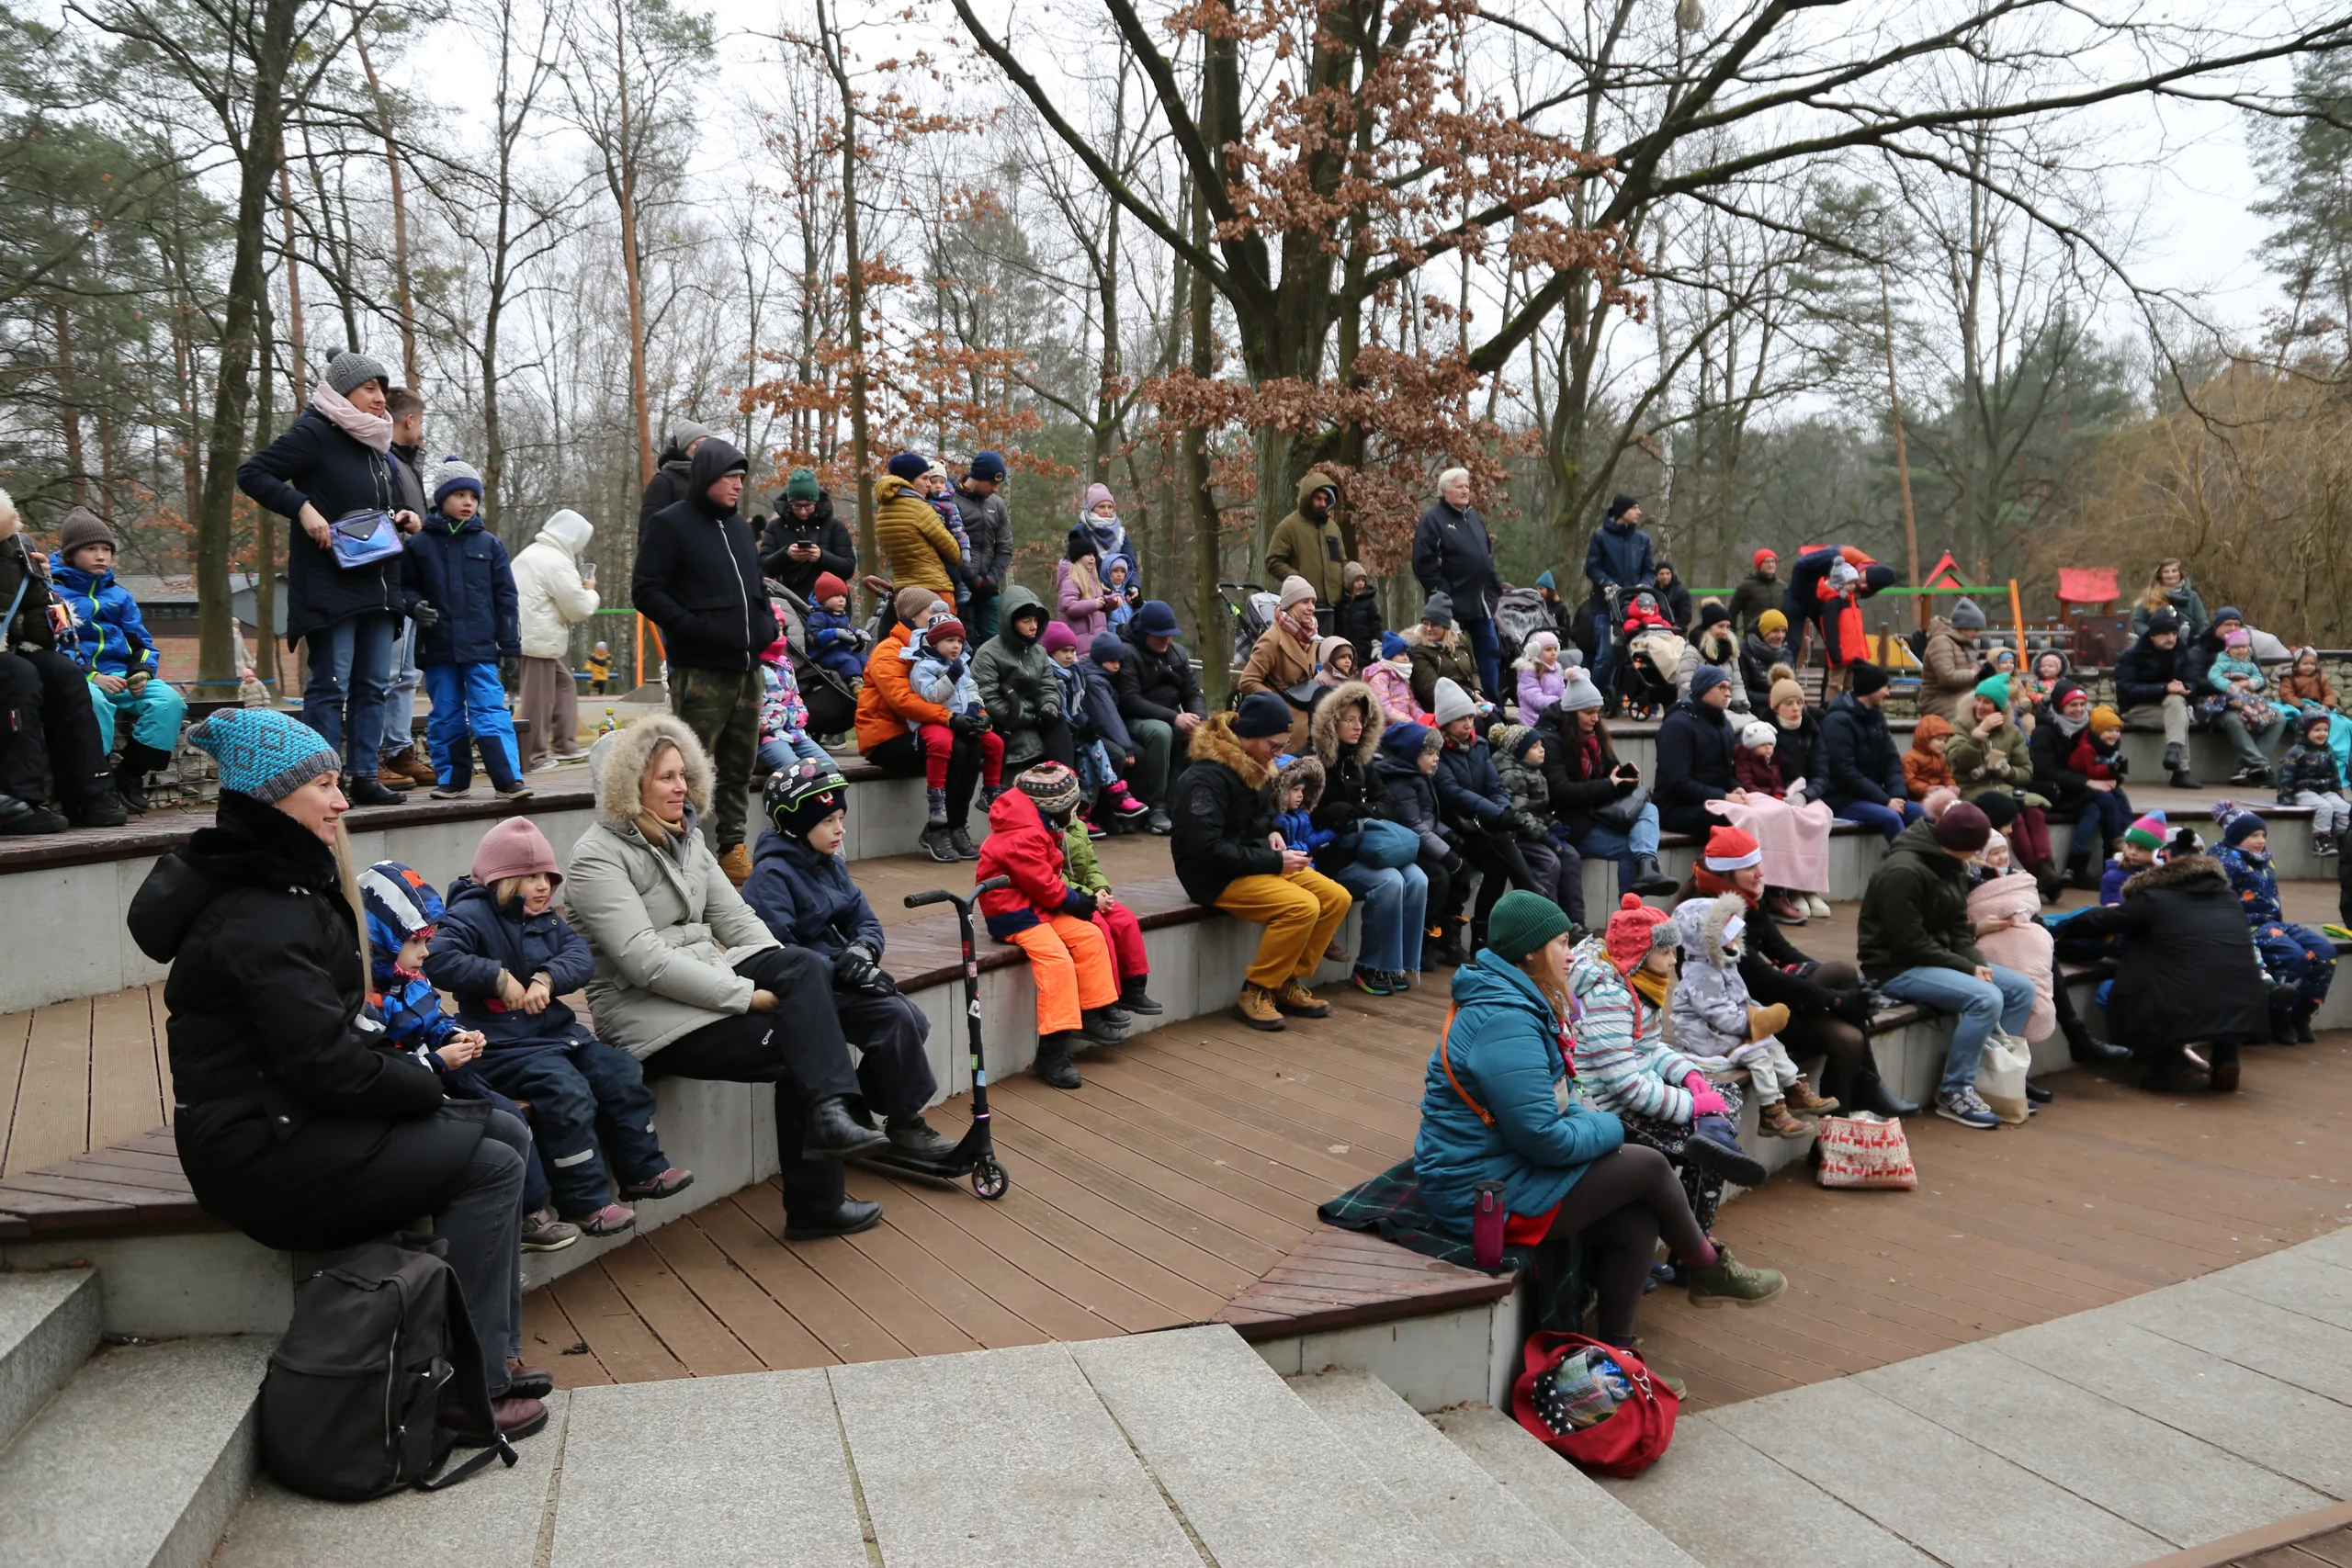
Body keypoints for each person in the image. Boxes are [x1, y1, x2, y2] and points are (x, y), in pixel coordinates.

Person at [125, 709, 548, 1440]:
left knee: (505, 1128)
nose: (342, 800)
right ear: (272, 796)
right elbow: (323, 1062)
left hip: (293, 1118)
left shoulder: (281, 885)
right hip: (261, 1152)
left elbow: (332, 1046)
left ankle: (493, 1357)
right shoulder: (259, 913)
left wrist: (414, 1075)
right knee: (492, 1162)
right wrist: (425, 1081)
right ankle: (463, 1389)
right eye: (323, 785)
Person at [563, 714, 893, 1240]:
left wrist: (780, 974)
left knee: (804, 965)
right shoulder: (594, 859)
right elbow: (645, 961)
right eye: (667, 777)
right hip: (646, 1016)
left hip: (705, 984)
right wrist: (745, 996)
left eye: (684, 774)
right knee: (801, 1048)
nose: (682, 786)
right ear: (627, 787)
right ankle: (819, 1194)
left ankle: (833, 1115)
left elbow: (739, 921)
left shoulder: (687, 837)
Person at [1412, 890, 1785, 1344]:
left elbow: (1559, 1101)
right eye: (1561, 944)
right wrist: (1610, 1127)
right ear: (1530, 953)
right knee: (1648, 1164)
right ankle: (1706, 1265)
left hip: (1503, 1161)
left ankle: (1617, 1354)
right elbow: (1545, 1138)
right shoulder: (1506, 1021)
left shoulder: (1521, 998)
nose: (1571, 955)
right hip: (1479, 1191)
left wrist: (1607, 1117)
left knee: (1638, 1218)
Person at [426, 818, 686, 1238]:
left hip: (558, 1035)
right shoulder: (469, 915)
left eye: (548, 876)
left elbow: (578, 957)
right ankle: (585, 1202)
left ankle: (642, 1169)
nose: (544, 886)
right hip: (505, 1046)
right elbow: (438, 958)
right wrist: (497, 978)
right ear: (502, 879)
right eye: (531, 877)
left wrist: (547, 978)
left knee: (620, 1071)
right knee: (566, 1091)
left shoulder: (545, 918)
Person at [356, 858, 579, 1254]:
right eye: (415, 942)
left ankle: (527, 1215)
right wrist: (438, 1061)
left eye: (428, 940)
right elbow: (378, 1064)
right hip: (409, 1088)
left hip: (443, 1076)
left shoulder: (411, 977)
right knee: (484, 1141)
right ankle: (489, 1243)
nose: (426, 952)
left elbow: (434, 1018)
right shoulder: (366, 997)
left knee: (510, 1118)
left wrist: (456, 1034)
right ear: (383, 938)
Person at [740, 761, 958, 1162]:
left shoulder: (832, 865)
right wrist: (839, 968)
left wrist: (862, 953)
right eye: (828, 821)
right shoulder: (769, 877)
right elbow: (778, 951)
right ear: (796, 824)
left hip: (841, 974)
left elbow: (866, 922)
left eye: (841, 818)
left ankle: (859, 1111)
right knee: (896, 1019)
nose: (840, 829)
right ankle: (905, 1123)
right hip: (809, 992)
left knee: (915, 1020)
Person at [236, 349, 421, 807]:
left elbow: (370, 506)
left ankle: (363, 776)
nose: (380, 398)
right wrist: (302, 508)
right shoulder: (316, 432)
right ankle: (320, 782)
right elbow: (252, 473)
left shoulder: (376, 444)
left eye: (382, 389)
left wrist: (403, 515)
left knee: (372, 686)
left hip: (379, 583)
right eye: (370, 388)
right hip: (329, 583)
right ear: (343, 392)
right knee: (330, 685)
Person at [1678, 824, 1920, 1117]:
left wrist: (1841, 991)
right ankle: (1855, 1102)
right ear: (1726, 874)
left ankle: (1855, 1102)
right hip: (1735, 1022)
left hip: (1761, 1004)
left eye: (1758, 863)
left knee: (1844, 989)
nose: (1761, 873)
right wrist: (1837, 999)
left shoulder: (1745, 899)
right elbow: (1761, 980)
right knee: (1847, 1034)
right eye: (1750, 867)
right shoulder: (1709, 916)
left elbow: (1784, 953)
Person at [1568, 896, 1767, 1230]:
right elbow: (1626, 1087)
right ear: (1639, 953)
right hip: (1611, 1112)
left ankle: (1714, 1133)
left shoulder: (1639, 984)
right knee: (1705, 1154)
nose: (1674, 959)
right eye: (1665, 952)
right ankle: (1694, 1240)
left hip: (1635, 1094)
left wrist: (1690, 1076)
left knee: (1726, 1093)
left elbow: (1649, 1047)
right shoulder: (1610, 998)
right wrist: (1691, 1106)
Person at [632, 435, 776, 883]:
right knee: (687, 768)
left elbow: (756, 588)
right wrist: (692, 627)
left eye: (741, 478)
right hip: (700, 669)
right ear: (707, 476)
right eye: (730, 477)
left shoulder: (740, 528)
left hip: (748, 669)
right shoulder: (669, 524)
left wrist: (767, 628)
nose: (738, 485)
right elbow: (646, 591)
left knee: (739, 766)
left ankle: (732, 849)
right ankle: (679, 848)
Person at [1170, 693, 1351, 1030]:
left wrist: (1273, 831)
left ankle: (1286, 981)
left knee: (1336, 897)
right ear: (1249, 735)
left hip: (1256, 860)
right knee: (1302, 907)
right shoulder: (1204, 779)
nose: (1279, 754)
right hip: (1215, 875)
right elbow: (1206, 849)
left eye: (1284, 746)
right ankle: (1256, 990)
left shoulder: (1257, 762)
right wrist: (1274, 862)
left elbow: (1265, 813)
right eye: (1274, 745)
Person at [1855, 801, 2036, 1129]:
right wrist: (1966, 968)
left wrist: (1976, 963)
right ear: (1961, 844)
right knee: (1987, 998)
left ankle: (1991, 1079)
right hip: (1894, 967)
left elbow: (1957, 929)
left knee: (2021, 989)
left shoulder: (1952, 863)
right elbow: (1907, 943)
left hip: (1934, 957)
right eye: (1977, 848)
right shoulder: (1903, 872)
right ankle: (1955, 1091)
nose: (1980, 855)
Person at [974, 762, 1133, 1088]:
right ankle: (1051, 1051)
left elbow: (1046, 885)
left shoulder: (1038, 821)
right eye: (1072, 807)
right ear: (1055, 808)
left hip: (1037, 904)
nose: (1076, 813)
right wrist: (1080, 902)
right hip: (1014, 912)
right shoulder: (1023, 834)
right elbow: (1044, 886)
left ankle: (1090, 1012)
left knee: (1088, 935)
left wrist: (1079, 904)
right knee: (1057, 960)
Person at [2064, 848, 2267, 1091]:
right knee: (2221, 986)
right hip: (2246, 1000)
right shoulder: (2228, 897)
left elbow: (2101, 922)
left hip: (2184, 1001)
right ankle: (2227, 1057)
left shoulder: (2153, 898)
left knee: (2110, 992)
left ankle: (2171, 1060)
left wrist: (2065, 926)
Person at [402, 457, 529, 801]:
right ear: (441, 498)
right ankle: (453, 779)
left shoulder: (490, 545)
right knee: (445, 713)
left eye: (473, 496)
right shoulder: (419, 545)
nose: (467, 502)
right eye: (459, 495)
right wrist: (414, 606)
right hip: (438, 647)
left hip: (481, 647)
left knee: (490, 710)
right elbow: (404, 587)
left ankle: (508, 779)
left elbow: (507, 599)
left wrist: (510, 646)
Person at [47, 509, 185, 813]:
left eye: (107, 549)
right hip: (79, 677)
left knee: (169, 702)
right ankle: (97, 778)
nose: (101, 556)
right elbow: (55, 644)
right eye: (90, 548)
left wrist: (142, 672)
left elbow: (142, 643)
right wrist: (91, 675)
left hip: (120, 674)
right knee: (94, 703)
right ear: (70, 554)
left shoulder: (120, 596)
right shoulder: (53, 594)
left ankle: (130, 774)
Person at [0, 494, 121, 833]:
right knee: (18, 675)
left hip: (15, 644)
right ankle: (19, 797)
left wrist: (42, 586)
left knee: (64, 672)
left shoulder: (18, 547)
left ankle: (89, 791)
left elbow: (42, 615)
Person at [1671, 893, 1835, 1139]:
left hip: (1727, 1028)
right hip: (1705, 1035)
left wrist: (1759, 1014)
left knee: (1773, 1044)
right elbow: (1719, 1014)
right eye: (1725, 934)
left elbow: (1741, 1000)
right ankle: (1771, 1110)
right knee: (1758, 1055)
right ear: (1705, 940)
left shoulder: (1723, 964)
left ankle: (1793, 1088)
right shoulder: (1700, 975)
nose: (1732, 939)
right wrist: (1755, 1022)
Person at [1306, 682, 1429, 994]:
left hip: (1369, 848)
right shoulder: (1314, 763)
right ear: (1331, 722)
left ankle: (1396, 963)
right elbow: (1312, 815)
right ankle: (1370, 965)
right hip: (1333, 856)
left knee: (1418, 878)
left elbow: (1388, 805)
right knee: (1390, 881)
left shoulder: (1363, 763)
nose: (1358, 726)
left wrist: (1355, 812)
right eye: (1350, 719)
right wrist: (1356, 812)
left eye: (1361, 720)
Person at [858, 585, 988, 861]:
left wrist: (976, 714)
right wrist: (949, 718)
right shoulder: (890, 650)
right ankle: (937, 828)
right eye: (932, 611)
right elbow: (902, 700)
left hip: (925, 728)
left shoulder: (937, 647)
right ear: (912, 615)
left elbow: (963, 688)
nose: (939, 616)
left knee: (973, 745)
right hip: (887, 737)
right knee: (957, 749)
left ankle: (956, 825)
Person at [1533, 665, 1674, 897]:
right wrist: (1610, 785)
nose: (1595, 718)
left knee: (1649, 809)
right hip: (1572, 822)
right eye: (1588, 712)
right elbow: (1561, 793)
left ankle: (1648, 866)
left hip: (1599, 811)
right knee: (1631, 849)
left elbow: (1612, 770)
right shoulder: (1551, 740)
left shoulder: (1594, 734)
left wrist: (1626, 780)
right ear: (1572, 713)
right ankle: (1630, 910)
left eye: (1597, 711)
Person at [1433, 679, 1543, 949]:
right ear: (1446, 723)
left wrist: (1504, 811)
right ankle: (1537, 901)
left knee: (1499, 863)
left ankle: (1482, 933)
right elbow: (1454, 794)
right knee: (1502, 844)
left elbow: (1495, 786)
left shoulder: (1479, 745)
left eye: (1470, 717)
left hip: (1480, 825)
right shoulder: (1437, 752)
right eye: (1461, 719)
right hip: (1453, 829)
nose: (1468, 724)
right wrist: (1498, 814)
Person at [2213, 809, 2337, 1043]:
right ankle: (2281, 1015)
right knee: (2294, 956)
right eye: (2253, 835)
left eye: (2263, 835)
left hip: (2272, 922)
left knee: (2325, 951)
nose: (2260, 840)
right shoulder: (2225, 862)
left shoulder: (2265, 859)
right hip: (2247, 925)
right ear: (2237, 837)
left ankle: (2303, 1013)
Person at [1948, 676, 2062, 898]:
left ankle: (2047, 868)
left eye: (1987, 702)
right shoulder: (1960, 726)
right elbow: (1958, 763)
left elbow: (2026, 772)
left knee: (2034, 812)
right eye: (1978, 700)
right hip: (1973, 790)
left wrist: (2007, 771)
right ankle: (2039, 876)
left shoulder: (2012, 732)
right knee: (2012, 815)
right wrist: (1978, 736)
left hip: (2004, 788)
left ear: (1999, 708)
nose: (1980, 706)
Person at [1055, 787, 1163, 1017]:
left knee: (1125, 919)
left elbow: (1091, 866)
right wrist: (1091, 897)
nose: (1076, 811)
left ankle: (1134, 988)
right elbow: (1054, 876)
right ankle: (1108, 996)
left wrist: (1101, 889)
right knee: (1100, 927)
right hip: (1067, 898)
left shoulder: (1078, 827)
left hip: (1089, 894)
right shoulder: (1049, 832)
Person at [508, 508, 597, 771]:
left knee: (563, 684)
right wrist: (590, 591)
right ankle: (532, 757)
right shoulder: (556, 562)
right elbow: (579, 608)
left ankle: (564, 743)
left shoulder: (532, 553)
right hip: (538, 639)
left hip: (526, 634)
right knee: (538, 700)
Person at [903, 609, 1006, 835]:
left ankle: (990, 791)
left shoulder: (960, 663)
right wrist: (951, 677)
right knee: (941, 744)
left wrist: (977, 709)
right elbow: (931, 696)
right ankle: (936, 798)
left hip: (963, 718)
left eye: (959, 641)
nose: (956, 646)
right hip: (935, 720)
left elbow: (971, 689)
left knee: (995, 743)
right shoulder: (923, 666)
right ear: (935, 642)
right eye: (950, 640)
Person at [1374, 720, 1466, 964]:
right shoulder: (1400, 782)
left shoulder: (1419, 775)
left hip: (1421, 843)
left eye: (1437, 753)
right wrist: (1446, 855)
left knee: (1461, 872)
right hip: (1405, 846)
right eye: (1430, 753)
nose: (1436, 759)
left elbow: (1428, 818)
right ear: (1411, 755)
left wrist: (1448, 834)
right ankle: (1422, 942)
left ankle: (1447, 935)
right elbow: (1414, 826)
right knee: (1439, 877)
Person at [1043, 621, 1148, 827]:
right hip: (1059, 729)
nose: (1069, 656)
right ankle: (1114, 792)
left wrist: (1084, 723)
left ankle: (1086, 810)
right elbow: (1061, 709)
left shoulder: (1075, 673)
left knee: (1091, 749)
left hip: (1074, 727)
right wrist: (1081, 726)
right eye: (1064, 651)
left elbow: (1077, 708)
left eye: (1072, 651)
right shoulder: (1055, 675)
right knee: (1096, 748)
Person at [1111, 599, 1202, 833]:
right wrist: (1174, 717)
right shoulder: (1128, 653)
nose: (1167, 640)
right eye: (1160, 636)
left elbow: (1192, 692)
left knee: (1202, 734)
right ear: (1145, 633)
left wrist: (1199, 718)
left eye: (1170, 635)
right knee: (1161, 733)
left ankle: (1188, 802)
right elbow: (1130, 700)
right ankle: (1156, 806)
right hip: (1135, 719)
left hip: (1170, 717)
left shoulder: (1178, 653)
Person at [1412, 468, 1502, 694]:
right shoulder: (1432, 520)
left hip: (1480, 602)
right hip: (1450, 606)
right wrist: (1442, 593)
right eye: (1460, 486)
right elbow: (1423, 562)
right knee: (1451, 657)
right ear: (1445, 491)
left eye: (1467, 486)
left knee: (1490, 652)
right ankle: (1459, 705)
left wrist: (1494, 588)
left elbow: (1486, 557)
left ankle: (1492, 706)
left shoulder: (1473, 517)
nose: (1465, 491)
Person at [1488, 721, 1584, 927]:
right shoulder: (1511, 775)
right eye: (1534, 747)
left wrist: (1554, 824)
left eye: (1541, 745)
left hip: (1534, 831)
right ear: (1519, 751)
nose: (1542, 750)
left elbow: (1537, 810)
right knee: (1550, 863)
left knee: (1571, 856)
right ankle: (1543, 920)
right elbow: (1520, 814)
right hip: (1518, 837)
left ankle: (1574, 921)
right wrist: (1547, 837)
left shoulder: (1531, 769)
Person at [973, 585, 1076, 777]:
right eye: (1026, 621)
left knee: (1060, 727)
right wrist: (1028, 718)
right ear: (1010, 622)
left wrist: (1049, 706)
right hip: (1007, 722)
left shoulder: (1040, 652)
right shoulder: (987, 654)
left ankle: (1067, 782)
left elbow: (1048, 687)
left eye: (1036, 620)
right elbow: (988, 699)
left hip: (1039, 718)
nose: (1033, 626)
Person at [1818, 661, 1920, 840]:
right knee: (1890, 818)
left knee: (1922, 814)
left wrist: (1897, 795)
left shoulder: (1876, 717)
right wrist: (1884, 800)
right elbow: (1844, 771)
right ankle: (1903, 857)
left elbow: (1892, 760)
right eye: (1884, 687)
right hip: (1843, 799)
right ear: (1871, 689)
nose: (1888, 693)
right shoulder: (1837, 722)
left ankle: (1927, 856)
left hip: (1875, 796)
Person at [1652, 665, 1747, 837]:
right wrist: (1723, 796)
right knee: (1739, 819)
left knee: (1765, 810)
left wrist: (1735, 787)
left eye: (1729, 688)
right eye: (1722, 687)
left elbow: (1724, 771)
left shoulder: (1722, 723)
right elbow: (1677, 782)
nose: (1728, 694)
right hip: (1676, 808)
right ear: (1704, 688)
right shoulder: (1678, 725)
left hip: (1713, 800)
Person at [2113, 610, 2202, 788]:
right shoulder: (2133, 655)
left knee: (2176, 703)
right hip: (2137, 709)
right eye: (2166, 634)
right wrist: (2164, 688)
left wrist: (2185, 687)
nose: (2171, 638)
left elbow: (2194, 681)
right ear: (2153, 635)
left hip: (2171, 708)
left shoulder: (2181, 652)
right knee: (2179, 716)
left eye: (2174, 634)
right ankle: (2181, 772)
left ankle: (2173, 750)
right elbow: (2127, 688)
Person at [1581, 494, 1653, 698]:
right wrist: (1607, 584)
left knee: (1633, 656)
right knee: (1606, 656)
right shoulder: (1600, 537)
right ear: (1622, 511)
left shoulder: (1642, 540)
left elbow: (1649, 570)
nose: (1639, 512)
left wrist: (1644, 585)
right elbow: (1592, 567)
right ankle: (1593, 698)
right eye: (1634, 508)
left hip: (1635, 608)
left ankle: (1620, 698)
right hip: (1606, 607)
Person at [1237, 577, 1320, 747]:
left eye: (1313, 602)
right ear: (1290, 605)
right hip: (1282, 722)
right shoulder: (1272, 639)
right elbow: (1247, 682)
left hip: (1309, 711)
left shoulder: (1310, 637)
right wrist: (1277, 703)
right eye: (1305, 602)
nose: (1311, 607)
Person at [759, 468, 858, 604]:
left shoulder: (835, 526)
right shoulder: (775, 527)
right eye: (797, 506)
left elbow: (848, 568)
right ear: (789, 503)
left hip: (830, 606)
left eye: (808, 506)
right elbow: (762, 568)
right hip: (790, 602)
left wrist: (821, 557)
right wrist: (786, 555)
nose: (803, 512)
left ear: (816, 502)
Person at [876, 451, 963, 596]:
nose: (929, 484)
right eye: (924, 478)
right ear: (909, 479)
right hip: (934, 589)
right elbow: (953, 551)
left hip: (903, 590)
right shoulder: (919, 508)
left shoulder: (883, 510)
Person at [951, 453, 1015, 641]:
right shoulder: (950, 500)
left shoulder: (997, 504)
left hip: (988, 589)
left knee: (997, 642)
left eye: (998, 484)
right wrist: (972, 580)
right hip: (959, 587)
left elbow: (1005, 547)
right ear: (977, 476)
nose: (995, 489)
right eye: (992, 483)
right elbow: (945, 546)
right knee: (964, 641)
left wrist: (991, 579)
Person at [1265, 468, 1348, 613]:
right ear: (1307, 498)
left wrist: (1351, 583)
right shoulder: (1288, 526)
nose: (1322, 503)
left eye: (1326, 499)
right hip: (1303, 607)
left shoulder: (1333, 528)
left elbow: (1341, 561)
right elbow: (1273, 561)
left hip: (1336, 607)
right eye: (1318, 498)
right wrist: (1298, 580)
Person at [2278, 710, 2350, 856]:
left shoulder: (2327, 751)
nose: (2322, 734)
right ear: (2304, 731)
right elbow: (2286, 775)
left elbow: (2335, 775)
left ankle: (2345, 841)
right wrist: (2285, 796)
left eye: (2325, 730)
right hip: (2303, 790)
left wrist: (2339, 793)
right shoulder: (2295, 752)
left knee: (2345, 808)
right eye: (2317, 730)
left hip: (2325, 789)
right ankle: (2322, 841)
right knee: (2324, 808)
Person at [755, 634, 830, 773]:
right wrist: (778, 721)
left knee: (831, 770)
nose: (778, 633)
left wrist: (801, 715)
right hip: (766, 738)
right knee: (800, 774)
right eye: (774, 627)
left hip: (794, 733)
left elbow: (795, 695)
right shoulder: (750, 664)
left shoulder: (784, 662)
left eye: (781, 628)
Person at [1402, 592, 1484, 714]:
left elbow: (1474, 671)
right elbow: (1432, 688)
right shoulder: (1419, 650)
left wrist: (1476, 690)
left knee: (1495, 718)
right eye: (1425, 623)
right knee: (1481, 722)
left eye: (1435, 625)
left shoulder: (1461, 640)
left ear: (1446, 627)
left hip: (1470, 700)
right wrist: (1470, 697)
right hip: (1442, 709)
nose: (1428, 629)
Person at [1917, 596, 1985, 726]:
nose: (1978, 634)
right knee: (1971, 721)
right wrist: (1973, 673)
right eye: (1976, 629)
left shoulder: (1963, 643)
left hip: (1963, 696)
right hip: (1940, 700)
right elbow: (1947, 677)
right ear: (1964, 626)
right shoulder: (1941, 642)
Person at [1673, 602, 1747, 715]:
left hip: (1727, 706)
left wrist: (1742, 703)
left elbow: (1737, 684)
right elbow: (1686, 687)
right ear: (1709, 626)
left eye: (1728, 627)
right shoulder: (1692, 653)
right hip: (1697, 709)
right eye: (1720, 626)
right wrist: (1727, 703)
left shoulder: (1730, 651)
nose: (1725, 632)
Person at [638, 418, 712, 528]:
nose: (704, 449)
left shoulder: (711, 480)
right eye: (698, 444)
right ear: (684, 446)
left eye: (708, 445)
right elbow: (649, 528)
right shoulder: (663, 481)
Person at [805, 571, 868, 685]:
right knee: (849, 661)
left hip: (842, 652)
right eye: (836, 596)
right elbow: (814, 636)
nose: (842, 599)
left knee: (865, 660)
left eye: (844, 596)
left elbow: (847, 632)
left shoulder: (842, 616)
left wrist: (856, 633)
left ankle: (873, 681)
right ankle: (856, 684)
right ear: (823, 598)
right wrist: (835, 633)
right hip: (824, 655)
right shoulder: (817, 616)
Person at [2129, 557, 2211, 642]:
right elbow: (2137, 621)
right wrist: (2153, 637)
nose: (2171, 575)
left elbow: (2203, 624)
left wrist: (2199, 642)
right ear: (2160, 575)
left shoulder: (2192, 596)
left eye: (2174, 571)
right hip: (2156, 646)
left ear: (2180, 573)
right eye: (2166, 572)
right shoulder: (2150, 595)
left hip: (2188, 646)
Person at [1054, 529, 1116, 639]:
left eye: (1094, 555)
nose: (1092, 558)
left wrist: (1111, 601)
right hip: (1079, 641)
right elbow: (1068, 606)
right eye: (1088, 554)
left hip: (1096, 640)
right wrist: (1094, 604)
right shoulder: (1071, 580)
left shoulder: (1091, 580)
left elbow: (1097, 609)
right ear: (1078, 557)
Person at [1369, 631, 1430, 728]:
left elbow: (1412, 704)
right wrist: (1410, 723)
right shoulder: (1379, 678)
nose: (1406, 658)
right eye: (1401, 654)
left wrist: (1425, 721)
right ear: (1390, 656)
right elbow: (1384, 709)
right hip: (1387, 728)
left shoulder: (1404, 678)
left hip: (1405, 725)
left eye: (1407, 655)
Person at [1334, 560, 1385, 671]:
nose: (1361, 583)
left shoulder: (1368, 602)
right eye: (1357, 580)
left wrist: (1377, 643)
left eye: (1363, 580)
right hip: (1346, 649)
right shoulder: (1341, 603)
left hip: (1365, 650)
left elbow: (1376, 623)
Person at [1513, 629, 1570, 721]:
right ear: (1536, 650)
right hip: (1535, 718)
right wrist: (1559, 702)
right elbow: (1535, 699)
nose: (1554, 653)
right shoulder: (1529, 672)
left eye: (1555, 649)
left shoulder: (1556, 669)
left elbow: (1562, 690)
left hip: (1554, 712)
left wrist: (1569, 699)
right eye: (1548, 649)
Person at [1739, 609, 1789, 713]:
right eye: (1775, 631)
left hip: (1782, 706)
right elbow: (1742, 692)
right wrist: (1772, 699)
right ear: (1763, 632)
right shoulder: (1743, 653)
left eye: (1783, 631)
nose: (1781, 636)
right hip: (1753, 709)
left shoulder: (1786, 654)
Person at [1725, 548, 1779, 636]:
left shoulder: (1782, 586)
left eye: (1773, 561)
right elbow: (1732, 613)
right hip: (1754, 636)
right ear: (1758, 565)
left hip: (1779, 636)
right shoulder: (1746, 586)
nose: (1771, 564)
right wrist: (1732, 636)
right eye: (1767, 562)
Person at [1904, 713, 1956, 802]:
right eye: (1939, 739)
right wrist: (1927, 789)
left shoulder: (1940, 759)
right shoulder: (1910, 758)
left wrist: (1951, 786)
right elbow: (1909, 781)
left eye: (1945, 741)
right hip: (1917, 798)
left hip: (1938, 795)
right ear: (1925, 738)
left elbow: (1946, 776)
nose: (1942, 744)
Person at [1650, 562, 1693, 635]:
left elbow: (1686, 616)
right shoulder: (1653, 591)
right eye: (1662, 574)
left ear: (1672, 574)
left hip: (1675, 631)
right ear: (1657, 575)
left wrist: (1674, 627)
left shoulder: (1681, 591)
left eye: (1668, 573)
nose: (1665, 576)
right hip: (1654, 629)